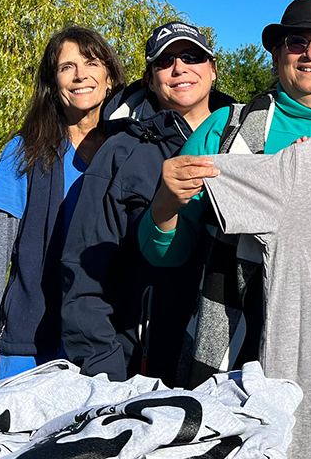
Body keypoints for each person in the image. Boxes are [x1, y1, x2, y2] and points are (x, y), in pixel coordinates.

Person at [138, 0, 311, 386]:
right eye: (297, 43)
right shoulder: (223, 130)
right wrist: (166, 203)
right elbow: (167, 256)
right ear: (276, 56)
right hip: (235, 339)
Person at [60, 21, 236, 384]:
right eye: (164, 61)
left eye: (192, 56)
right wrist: (103, 374)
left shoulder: (248, 143)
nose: (180, 67)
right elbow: (83, 273)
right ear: (150, 78)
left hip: (233, 365)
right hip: (141, 372)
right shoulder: (120, 152)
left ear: (213, 69)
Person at [0, 26, 125, 386]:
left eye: (91, 62)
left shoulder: (130, 154)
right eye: (66, 67)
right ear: (53, 82)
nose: (80, 75)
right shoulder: (23, 153)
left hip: (107, 349)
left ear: (109, 77)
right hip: (29, 349)